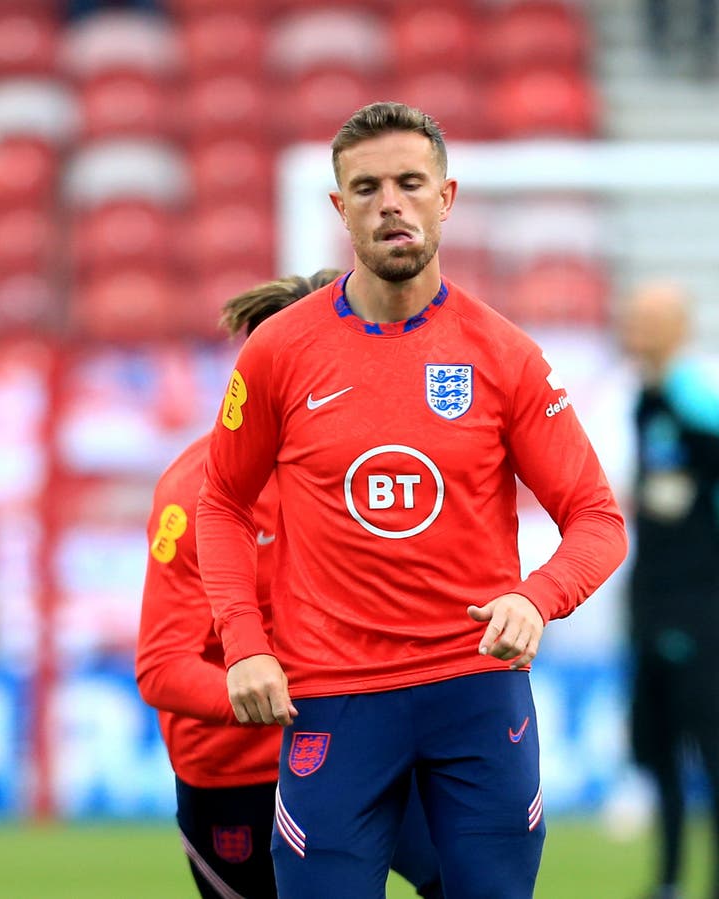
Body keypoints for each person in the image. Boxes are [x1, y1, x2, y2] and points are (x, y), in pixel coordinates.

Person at [195, 101, 628, 899]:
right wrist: (245, 641)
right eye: (367, 188)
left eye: (410, 183)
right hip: (333, 697)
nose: (390, 203)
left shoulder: (504, 355)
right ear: (340, 208)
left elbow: (597, 520)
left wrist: (537, 597)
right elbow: (221, 500)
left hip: (476, 691)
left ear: (446, 197)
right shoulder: (281, 351)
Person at [137, 269, 444, 899]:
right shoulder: (194, 493)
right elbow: (163, 667)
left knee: (470, 874)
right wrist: (288, 697)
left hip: (366, 743)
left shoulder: (378, 470)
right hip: (241, 771)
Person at [619, 281, 719, 899]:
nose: (633, 329)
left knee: (708, 746)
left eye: (647, 319)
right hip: (652, 600)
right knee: (657, 749)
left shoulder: (698, 401)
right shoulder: (644, 400)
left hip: (700, 603)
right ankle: (669, 881)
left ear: (679, 327)